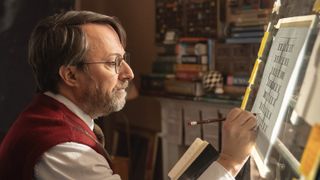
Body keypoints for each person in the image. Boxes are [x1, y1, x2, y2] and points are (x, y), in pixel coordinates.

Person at [0, 10, 257, 180]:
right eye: (113, 63)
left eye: (124, 60)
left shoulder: (51, 117)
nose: (129, 73)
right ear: (70, 76)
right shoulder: (64, 149)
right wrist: (231, 160)